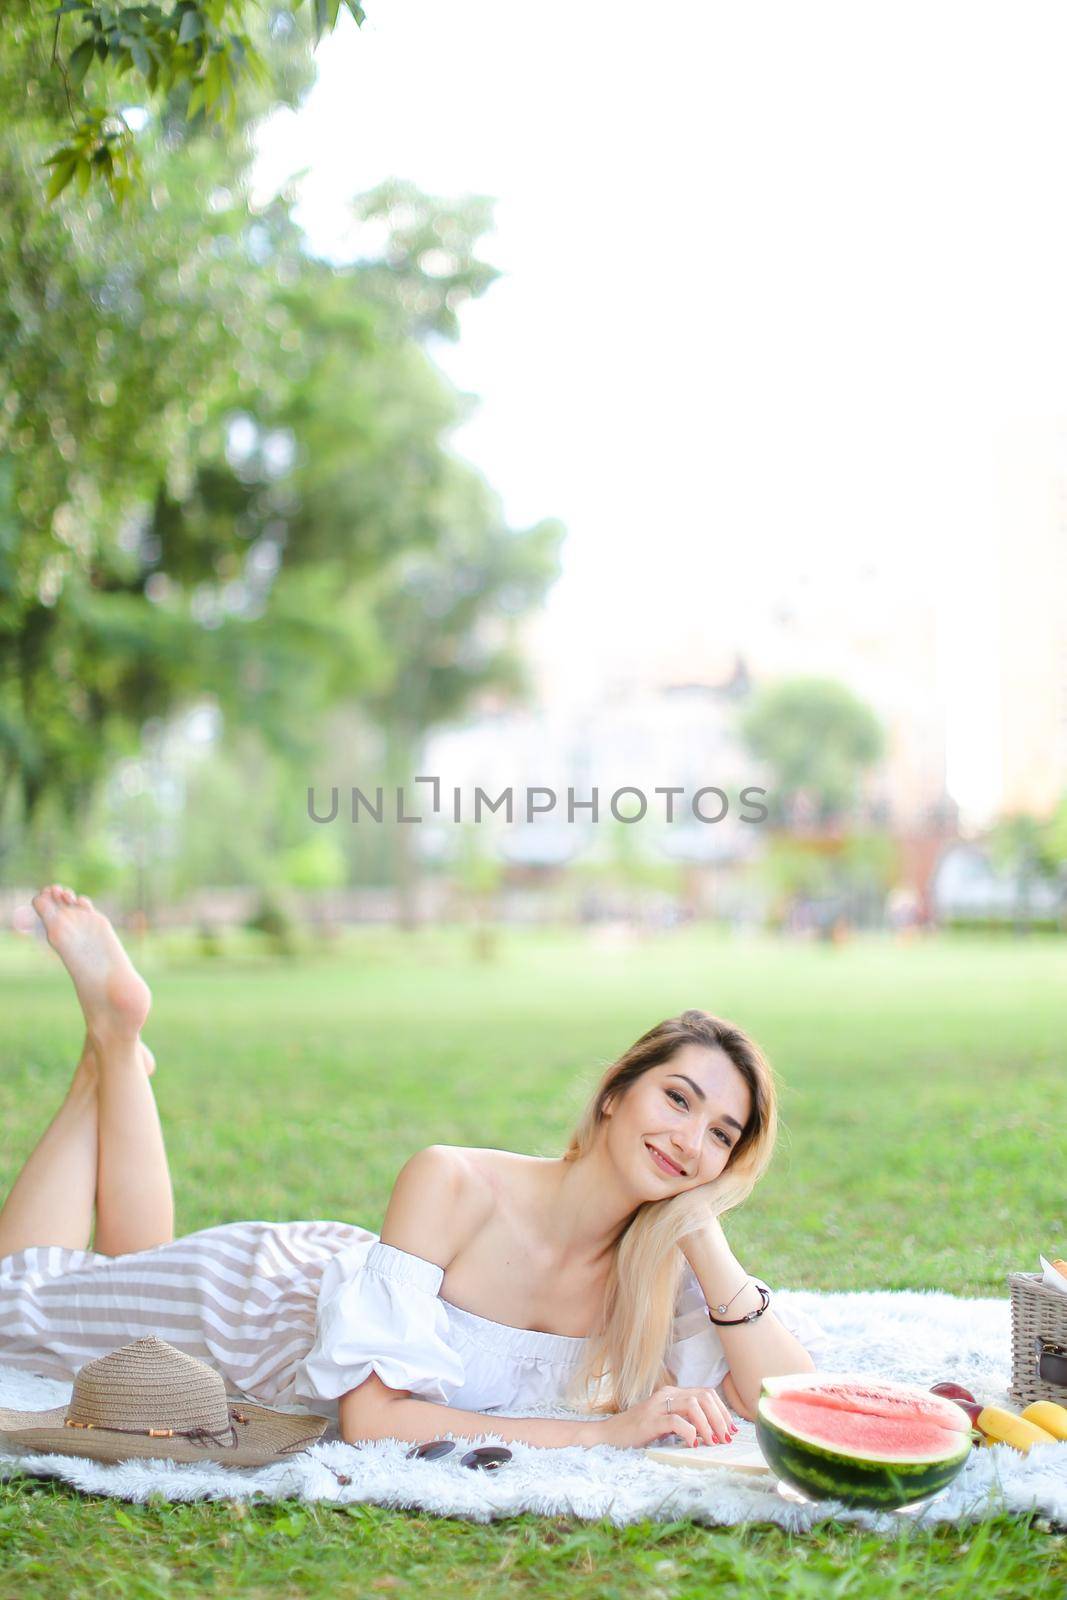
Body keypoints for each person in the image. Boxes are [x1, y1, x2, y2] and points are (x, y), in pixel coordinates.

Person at [0, 885, 828, 1453]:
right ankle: (112, 1042)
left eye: (722, 1134)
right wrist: (600, 1435)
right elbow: (371, 1420)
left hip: (278, 1326)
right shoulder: (455, 1182)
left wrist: (703, 1234)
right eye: (677, 1099)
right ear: (614, 1095)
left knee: (120, 1269)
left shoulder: (658, 1259)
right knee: (15, 1295)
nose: (690, 1141)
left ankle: (110, 1056)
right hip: (250, 1310)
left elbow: (790, 1406)